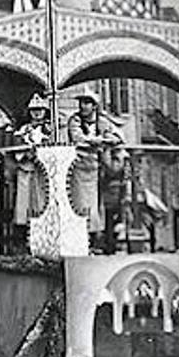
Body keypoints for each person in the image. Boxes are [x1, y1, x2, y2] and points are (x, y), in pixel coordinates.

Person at [67, 89, 124, 253]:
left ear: (94, 105)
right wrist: (99, 141)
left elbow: (117, 137)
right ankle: (82, 240)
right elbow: (78, 138)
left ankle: (97, 241)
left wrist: (105, 140)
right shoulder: (75, 120)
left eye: (87, 103)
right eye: (81, 103)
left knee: (98, 207)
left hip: (97, 170)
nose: (83, 106)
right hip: (79, 168)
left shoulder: (102, 122)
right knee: (80, 204)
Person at [12, 94, 53, 248]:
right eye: (34, 110)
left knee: (42, 203)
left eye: (40, 110)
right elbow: (17, 147)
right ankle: (23, 240)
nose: (37, 113)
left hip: (43, 171)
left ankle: (44, 238)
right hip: (26, 169)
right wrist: (26, 154)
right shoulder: (23, 130)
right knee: (24, 205)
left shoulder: (50, 128)